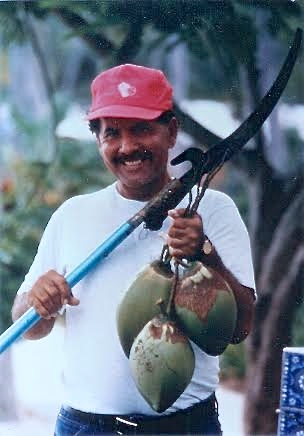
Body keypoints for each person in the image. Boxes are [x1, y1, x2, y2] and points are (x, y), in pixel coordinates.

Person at [12, 64, 256, 435]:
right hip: (85, 427)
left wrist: (204, 254)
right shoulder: (72, 215)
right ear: (98, 140)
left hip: (185, 428)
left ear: (171, 131)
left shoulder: (214, 210)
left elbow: (240, 328)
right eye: (113, 133)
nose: (127, 147)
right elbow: (26, 325)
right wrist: (38, 302)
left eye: (141, 129)